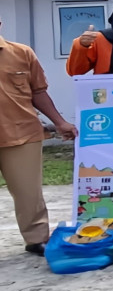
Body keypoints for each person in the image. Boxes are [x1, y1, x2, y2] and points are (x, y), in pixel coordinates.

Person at [0, 16, 78, 255]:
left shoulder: (21, 53)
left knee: (28, 193)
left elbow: (38, 92)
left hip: (21, 132)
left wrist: (60, 122)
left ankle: (36, 239)